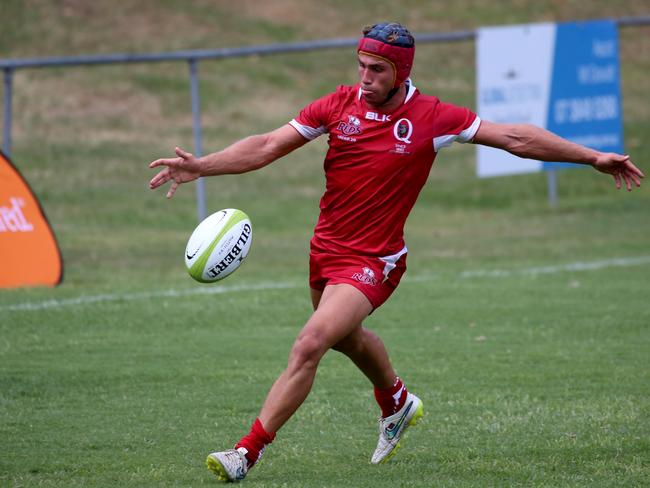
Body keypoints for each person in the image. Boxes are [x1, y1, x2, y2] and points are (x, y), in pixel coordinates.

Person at [149, 22, 643, 482]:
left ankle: (246, 452)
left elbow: (514, 136)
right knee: (346, 339)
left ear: (400, 72)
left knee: (310, 343)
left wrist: (591, 156)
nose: (364, 77)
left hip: (375, 260)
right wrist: (204, 167)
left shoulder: (432, 118)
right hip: (325, 252)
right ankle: (397, 401)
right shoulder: (337, 107)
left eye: (377, 69)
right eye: (361, 65)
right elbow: (267, 145)